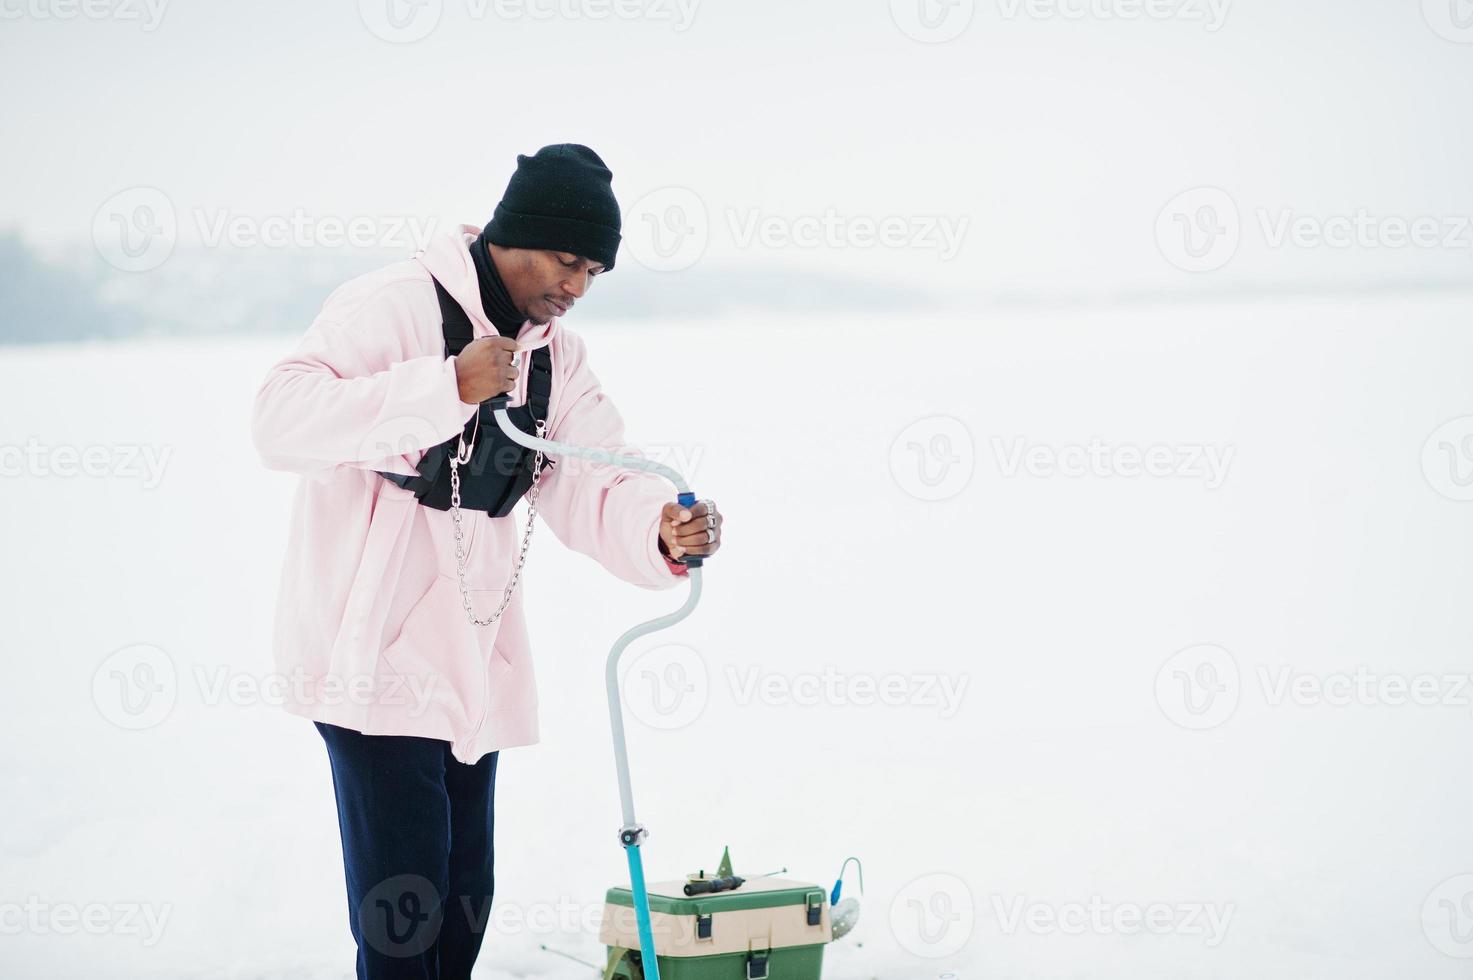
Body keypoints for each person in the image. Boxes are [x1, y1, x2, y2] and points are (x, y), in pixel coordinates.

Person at [250, 143, 723, 979]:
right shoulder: (392, 305)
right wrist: (443, 389)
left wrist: (658, 531)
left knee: (465, 894)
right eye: (567, 260)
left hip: (468, 656)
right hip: (370, 658)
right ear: (516, 235)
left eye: (594, 271)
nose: (577, 285)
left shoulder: (555, 356)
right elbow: (281, 420)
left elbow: (590, 473)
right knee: (406, 909)